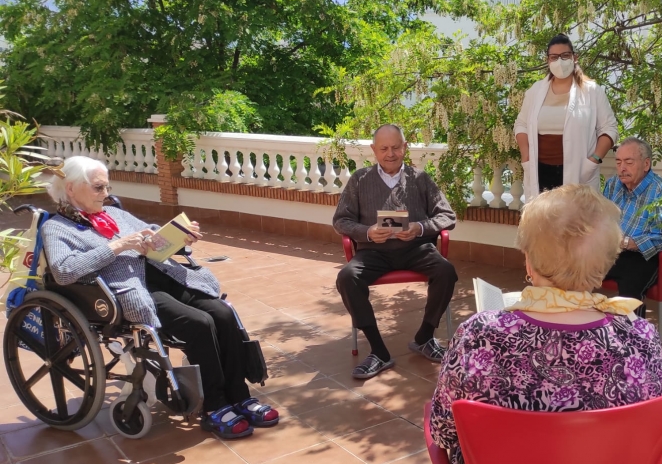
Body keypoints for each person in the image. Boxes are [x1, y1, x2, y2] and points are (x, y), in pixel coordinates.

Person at [429, 184, 662, 464]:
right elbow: (657, 434)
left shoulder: (483, 334)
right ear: (607, 262)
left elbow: (444, 427)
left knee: (469, 453)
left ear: (529, 260)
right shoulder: (640, 338)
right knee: (575, 456)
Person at [41, 156, 278, 440]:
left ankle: (240, 395)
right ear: (71, 188)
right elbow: (64, 271)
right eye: (98, 188)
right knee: (199, 323)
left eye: (106, 187)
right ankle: (214, 406)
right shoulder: (56, 228)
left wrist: (179, 236)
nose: (106, 194)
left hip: (164, 276)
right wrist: (117, 246)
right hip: (131, 291)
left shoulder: (113, 213)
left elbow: (150, 231)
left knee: (222, 313)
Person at [334, 124, 458, 379]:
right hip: (373, 252)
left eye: (395, 147)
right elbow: (341, 221)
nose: (390, 153)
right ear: (373, 150)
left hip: (416, 248)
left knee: (446, 271)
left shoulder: (420, 178)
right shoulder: (360, 179)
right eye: (383, 148)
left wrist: (419, 227)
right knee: (347, 277)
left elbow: (447, 216)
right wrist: (367, 232)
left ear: (405, 147)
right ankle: (379, 351)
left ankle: (424, 337)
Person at [514, 34, 617, 201]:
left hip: (579, 171)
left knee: (575, 223)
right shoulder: (536, 90)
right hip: (540, 171)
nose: (559, 61)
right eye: (554, 57)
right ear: (548, 60)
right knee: (542, 222)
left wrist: (594, 160)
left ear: (574, 57)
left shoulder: (592, 91)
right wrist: (526, 156)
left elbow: (609, 128)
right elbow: (521, 124)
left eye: (565, 56)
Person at [602, 137, 662, 317]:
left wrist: (629, 243)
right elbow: (601, 219)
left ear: (646, 164)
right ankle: (576, 329)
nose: (622, 168)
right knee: (575, 267)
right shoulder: (613, 185)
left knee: (629, 282)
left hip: (650, 255)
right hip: (615, 251)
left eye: (629, 162)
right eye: (619, 162)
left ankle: (633, 339)